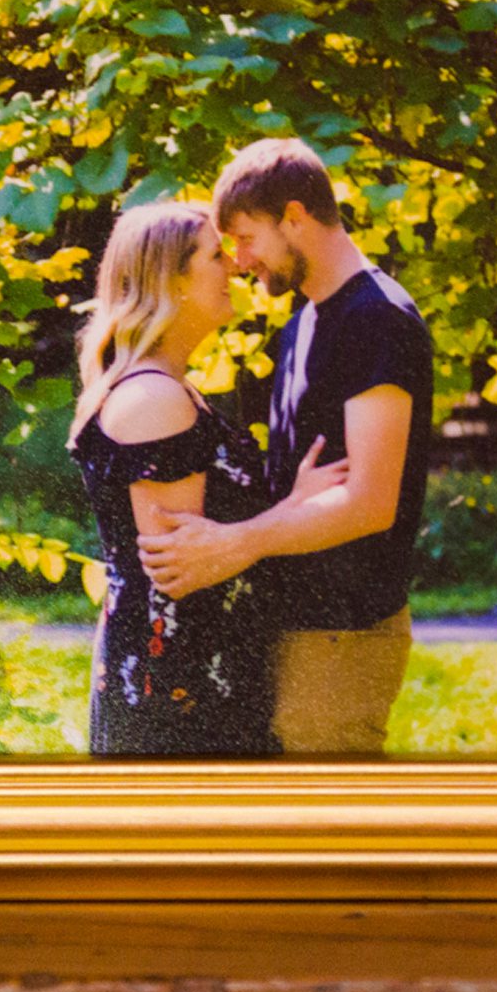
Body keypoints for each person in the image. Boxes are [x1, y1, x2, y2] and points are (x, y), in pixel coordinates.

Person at [140, 137, 434, 756]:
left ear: (295, 216)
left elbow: (370, 502)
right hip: (294, 630)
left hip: (343, 637)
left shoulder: (377, 321)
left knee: (328, 842)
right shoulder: (306, 321)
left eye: (246, 238)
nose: (240, 261)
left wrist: (234, 544)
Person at [69, 199, 345, 757]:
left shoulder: (170, 388)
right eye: (216, 255)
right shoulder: (153, 400)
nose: (236, 267)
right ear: (169, 279)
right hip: (176, 700)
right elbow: (184, 568)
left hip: (197, 683)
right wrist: (291, 512)